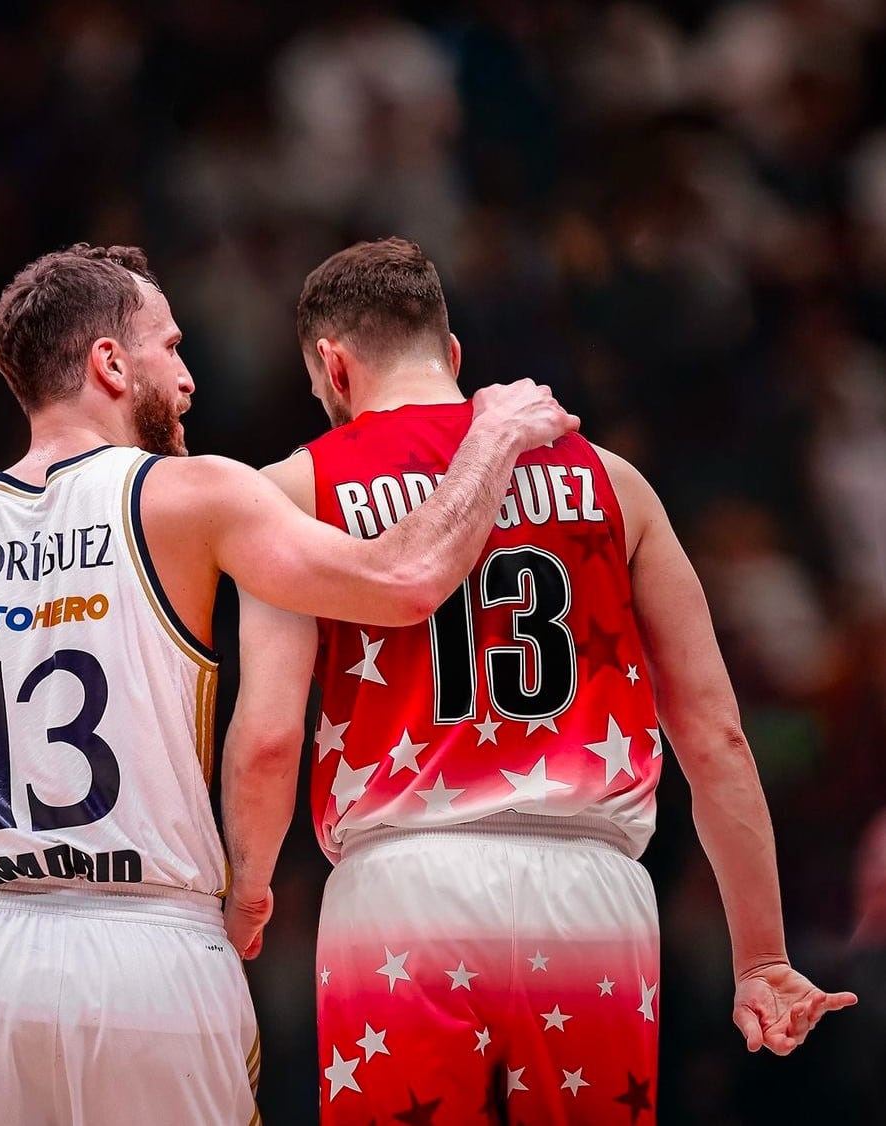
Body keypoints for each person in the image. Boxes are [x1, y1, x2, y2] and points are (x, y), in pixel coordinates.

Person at [0, 243, 577, 1126]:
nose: (189, 378)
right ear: (110, 364)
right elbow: (405, 579)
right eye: (172, 346)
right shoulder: (193, 499)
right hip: (146, 953)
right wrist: (490, 436)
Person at [221, 237, 857, 1125]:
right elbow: (717, 739)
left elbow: (269, 738)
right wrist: (760, 958)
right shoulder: (614, 482)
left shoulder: (294, 492)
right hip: (589, 896)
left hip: (402, 898)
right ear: (450, 355)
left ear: (333, 366)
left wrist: (247, 888)